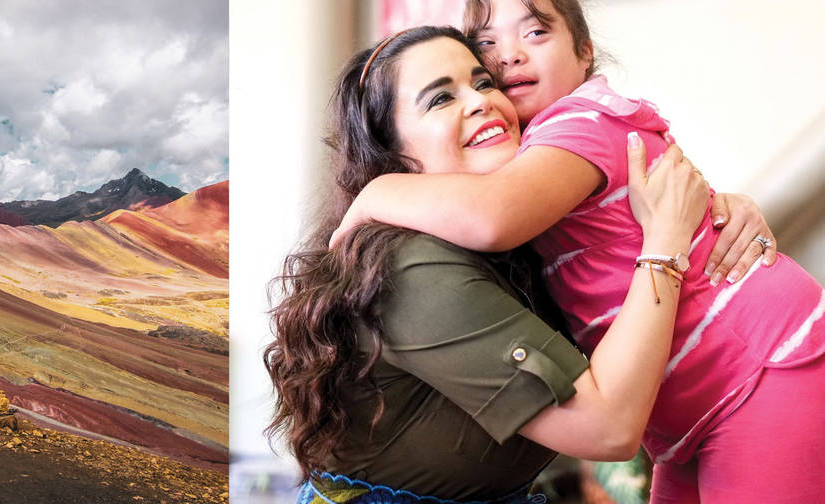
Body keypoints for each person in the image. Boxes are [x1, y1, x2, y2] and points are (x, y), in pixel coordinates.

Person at [335, 0, 825, 499]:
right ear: (389, 147)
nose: (507, 60)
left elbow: (494, 214)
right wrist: (668, 240)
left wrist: (375, 194)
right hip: (696, 407)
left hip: (760, 368)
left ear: (585, 52)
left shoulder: (578, 124)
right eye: (488, 47)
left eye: (535, 33)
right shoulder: (426, 257)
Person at [267, 27, 710, 502]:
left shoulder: (520, 234)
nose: (481, 102)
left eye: (484, 83)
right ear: (392, 152)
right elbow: (606, 429)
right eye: (440, 99)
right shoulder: (410, 268)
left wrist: (728, 211)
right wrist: (665, 243)